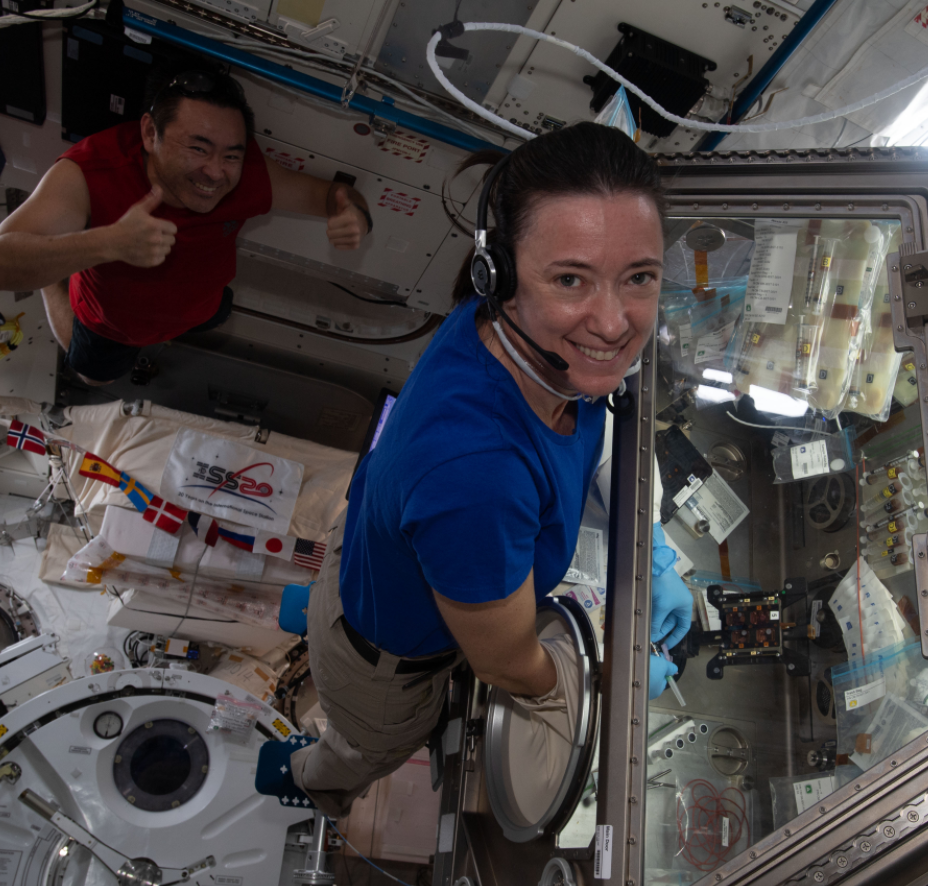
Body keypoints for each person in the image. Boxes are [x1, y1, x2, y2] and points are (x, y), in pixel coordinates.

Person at [285, 122, 693, 819]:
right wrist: (603, 678)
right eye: (571, 278)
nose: (613, 321)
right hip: (382, 673)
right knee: (361, 750)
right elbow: (508, 665)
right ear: (496, 274)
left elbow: (593, 430)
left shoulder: (528, 342)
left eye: (639, 278)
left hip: (378, 557)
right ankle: (309, 783)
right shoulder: (477, 470)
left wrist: (649, 543)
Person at [0, 70, 372, 385]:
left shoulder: (248, 172)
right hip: (111, 325)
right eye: (198, 148)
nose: (216, 172)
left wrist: (353, 213)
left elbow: (334, 195)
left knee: (217, 312)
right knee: (93, 377)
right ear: (151, 133)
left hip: (200, 306)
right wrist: (108, 242)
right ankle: (56, 281)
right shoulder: (92, 171)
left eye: (230, 154)